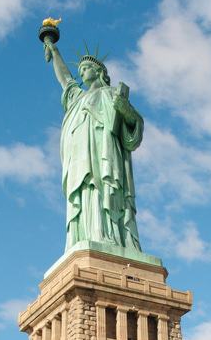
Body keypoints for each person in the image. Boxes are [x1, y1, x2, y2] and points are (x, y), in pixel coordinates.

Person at [44, 38, 143, 252]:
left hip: (104, 156)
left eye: (86, 68)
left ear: (98, 71)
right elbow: (66, 81)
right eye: (80, 69)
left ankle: (111, 238)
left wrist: (126, 111)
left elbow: (134, 129)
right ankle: (87, 236)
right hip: (80, 161)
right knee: (86, 193)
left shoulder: (110, 94)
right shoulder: (77, 99)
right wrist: (55, 51)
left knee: (102, 190)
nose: (82, 72)